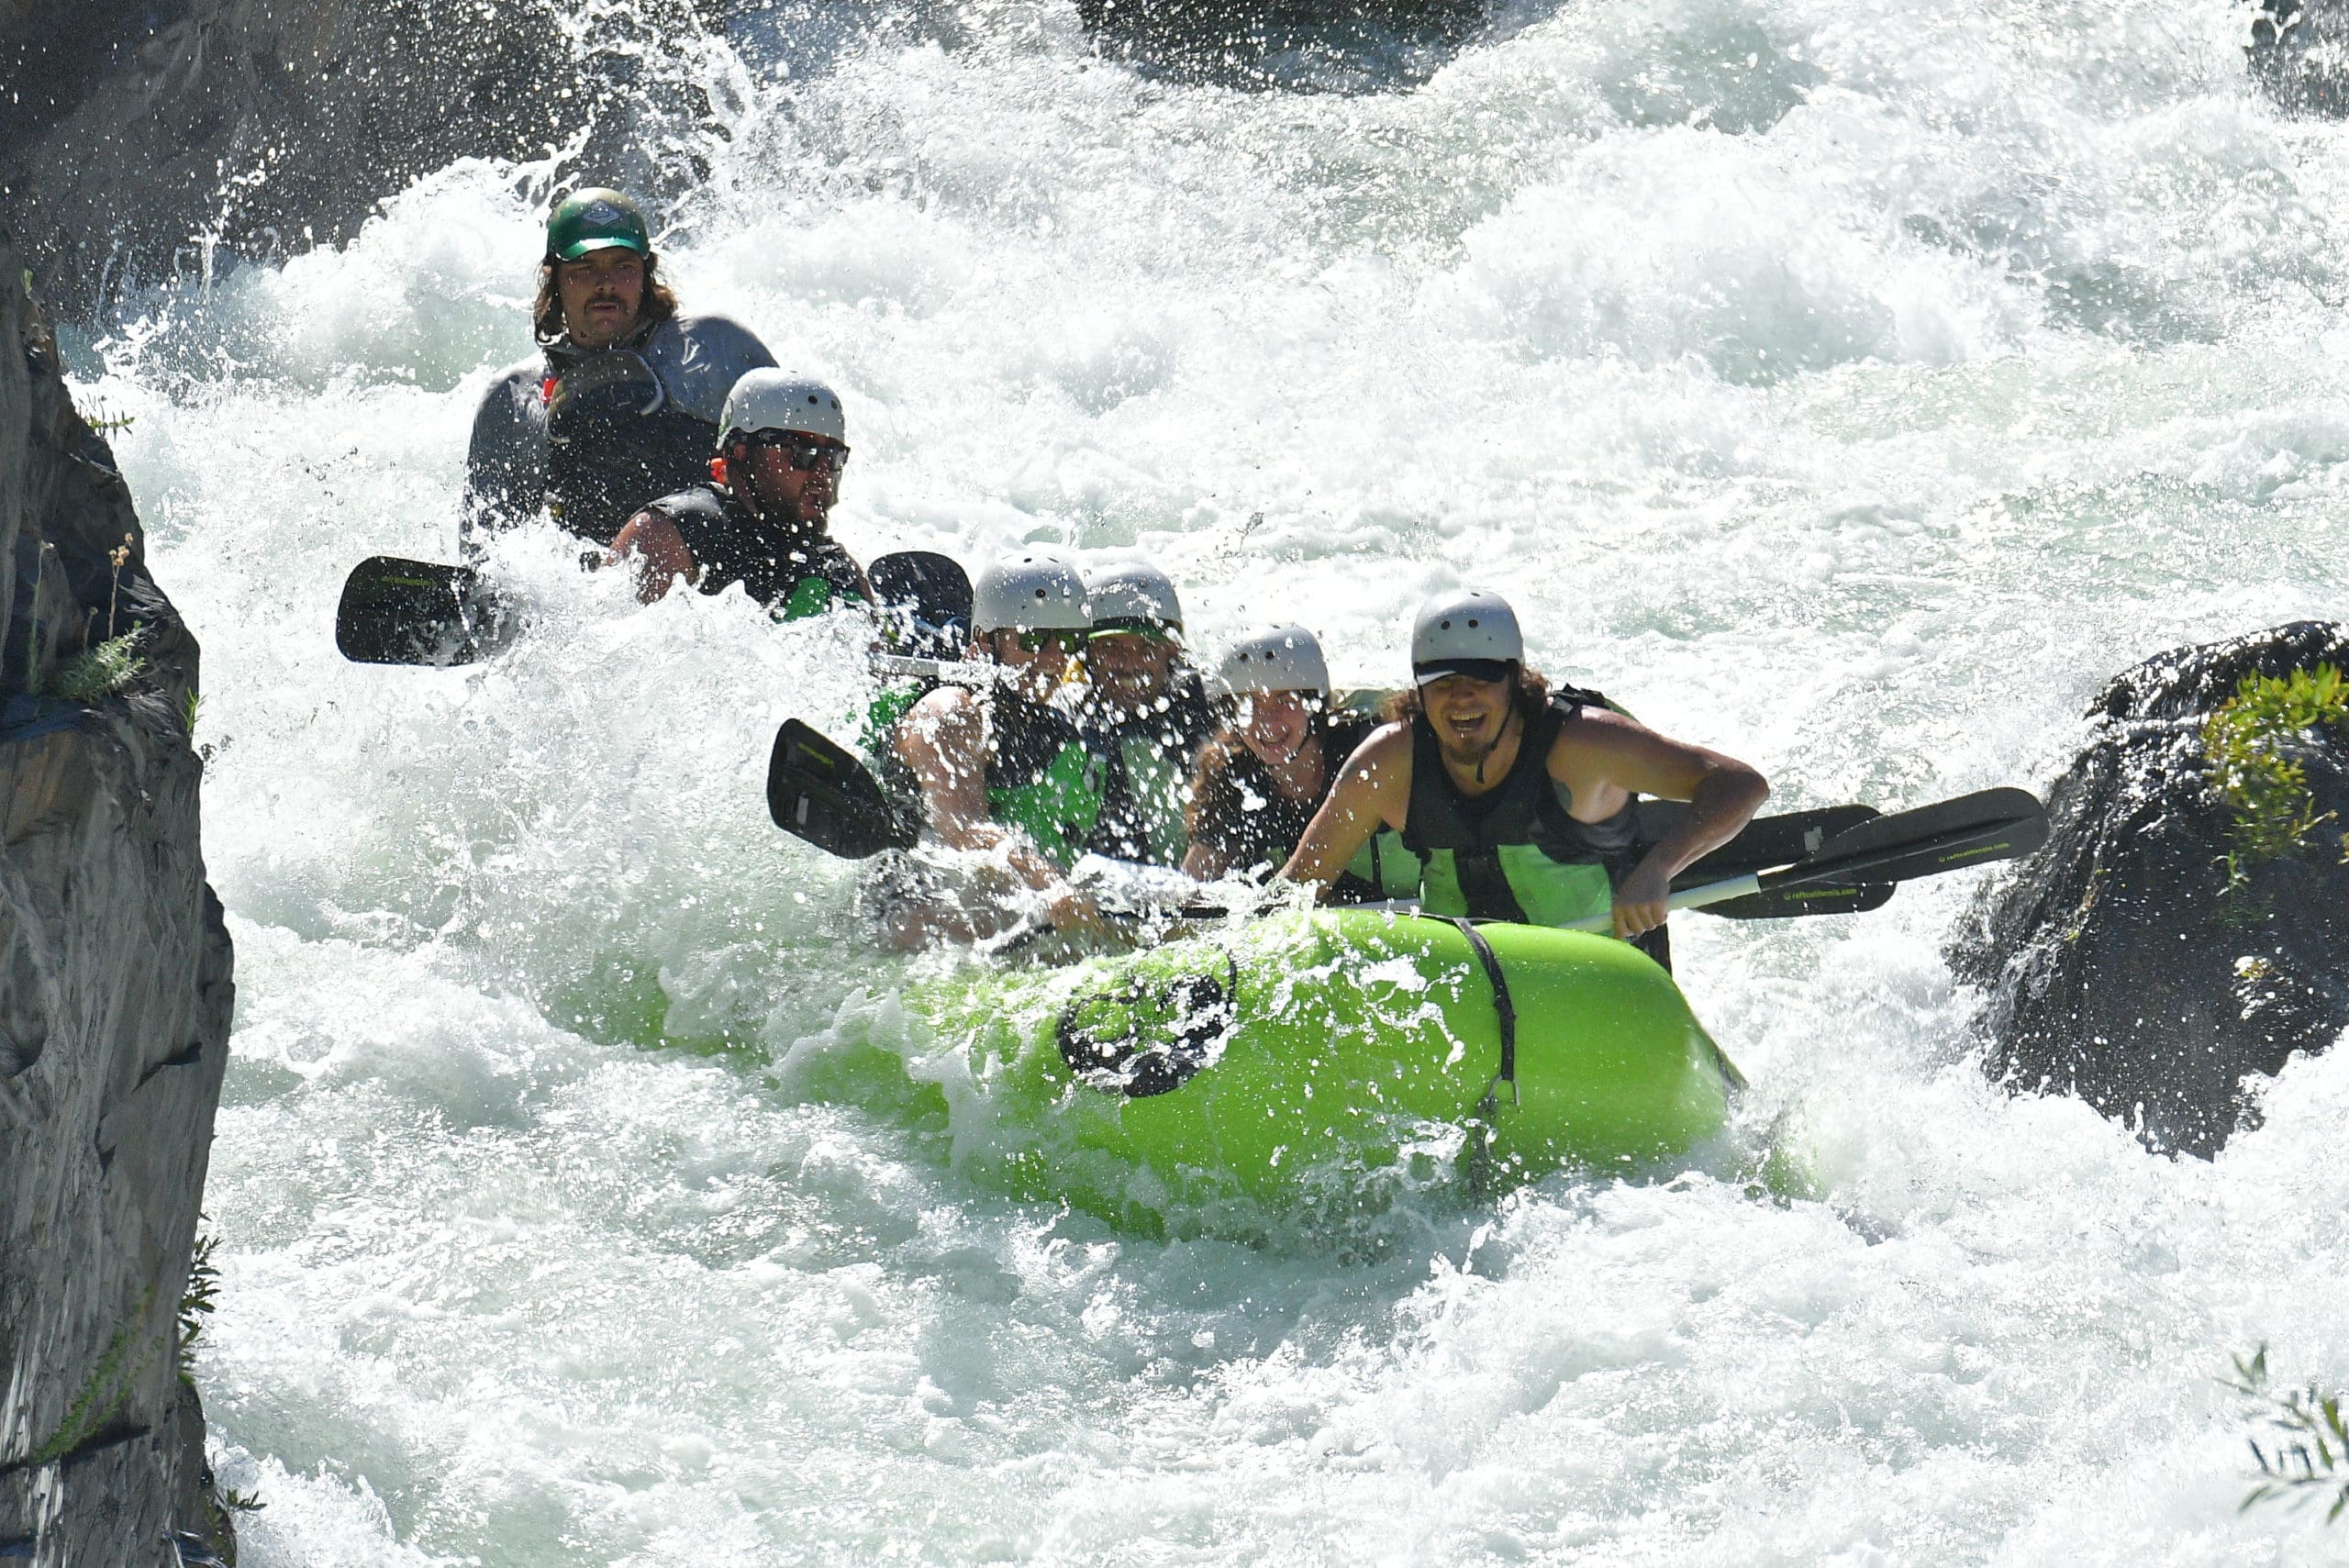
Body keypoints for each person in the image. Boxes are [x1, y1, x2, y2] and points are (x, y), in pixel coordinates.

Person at [1277, 588, 1768, 959]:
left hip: (1606, 972)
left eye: (1481, 678)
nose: (1462, 696)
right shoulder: (1388, 761)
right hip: (1464, 981)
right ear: (1420, 691)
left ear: (1515, 679)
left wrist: (1657, 870)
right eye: (1442, 681)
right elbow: (1297, 891)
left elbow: (1740, 785)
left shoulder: (1584, 745)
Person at [462, 187, 777, 554]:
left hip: (721, 572)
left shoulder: (719, 348)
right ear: (555, 280)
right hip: (590, 589)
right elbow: (486, 549)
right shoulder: (512, 397)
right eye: (585, 268)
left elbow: (796, 473)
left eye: (623, 267)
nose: (605, 284)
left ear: (646, 275)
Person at [874, 550, 1111, 948]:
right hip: (900, 916)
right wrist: (1051, 886)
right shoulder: (949, 710)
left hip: (988, 908)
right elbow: (961, 828)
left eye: (1067, 640)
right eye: (1033, 639)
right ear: (985, 642)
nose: (1054, 658)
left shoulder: (1053, 727)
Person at [605, 371, 869, 618]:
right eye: (802, 454)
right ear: (742, 452)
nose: (823, 474)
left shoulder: (837, 569)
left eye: (833, 457)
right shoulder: (673, 532)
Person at [1182, 626, 1419, 900]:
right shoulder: (1231, 779)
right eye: (1252, 703)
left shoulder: (1375, 752)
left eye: (1284, 700)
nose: (1268, 722)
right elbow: (1190, 894)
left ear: (1313, 704)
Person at [1077, 560, 1218, 868]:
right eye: (1110, 646)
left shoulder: (1210, 709)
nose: (1128, 664)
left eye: (1145, 647)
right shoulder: (1072, 711)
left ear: (1172, 648)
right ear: (1086, 653)